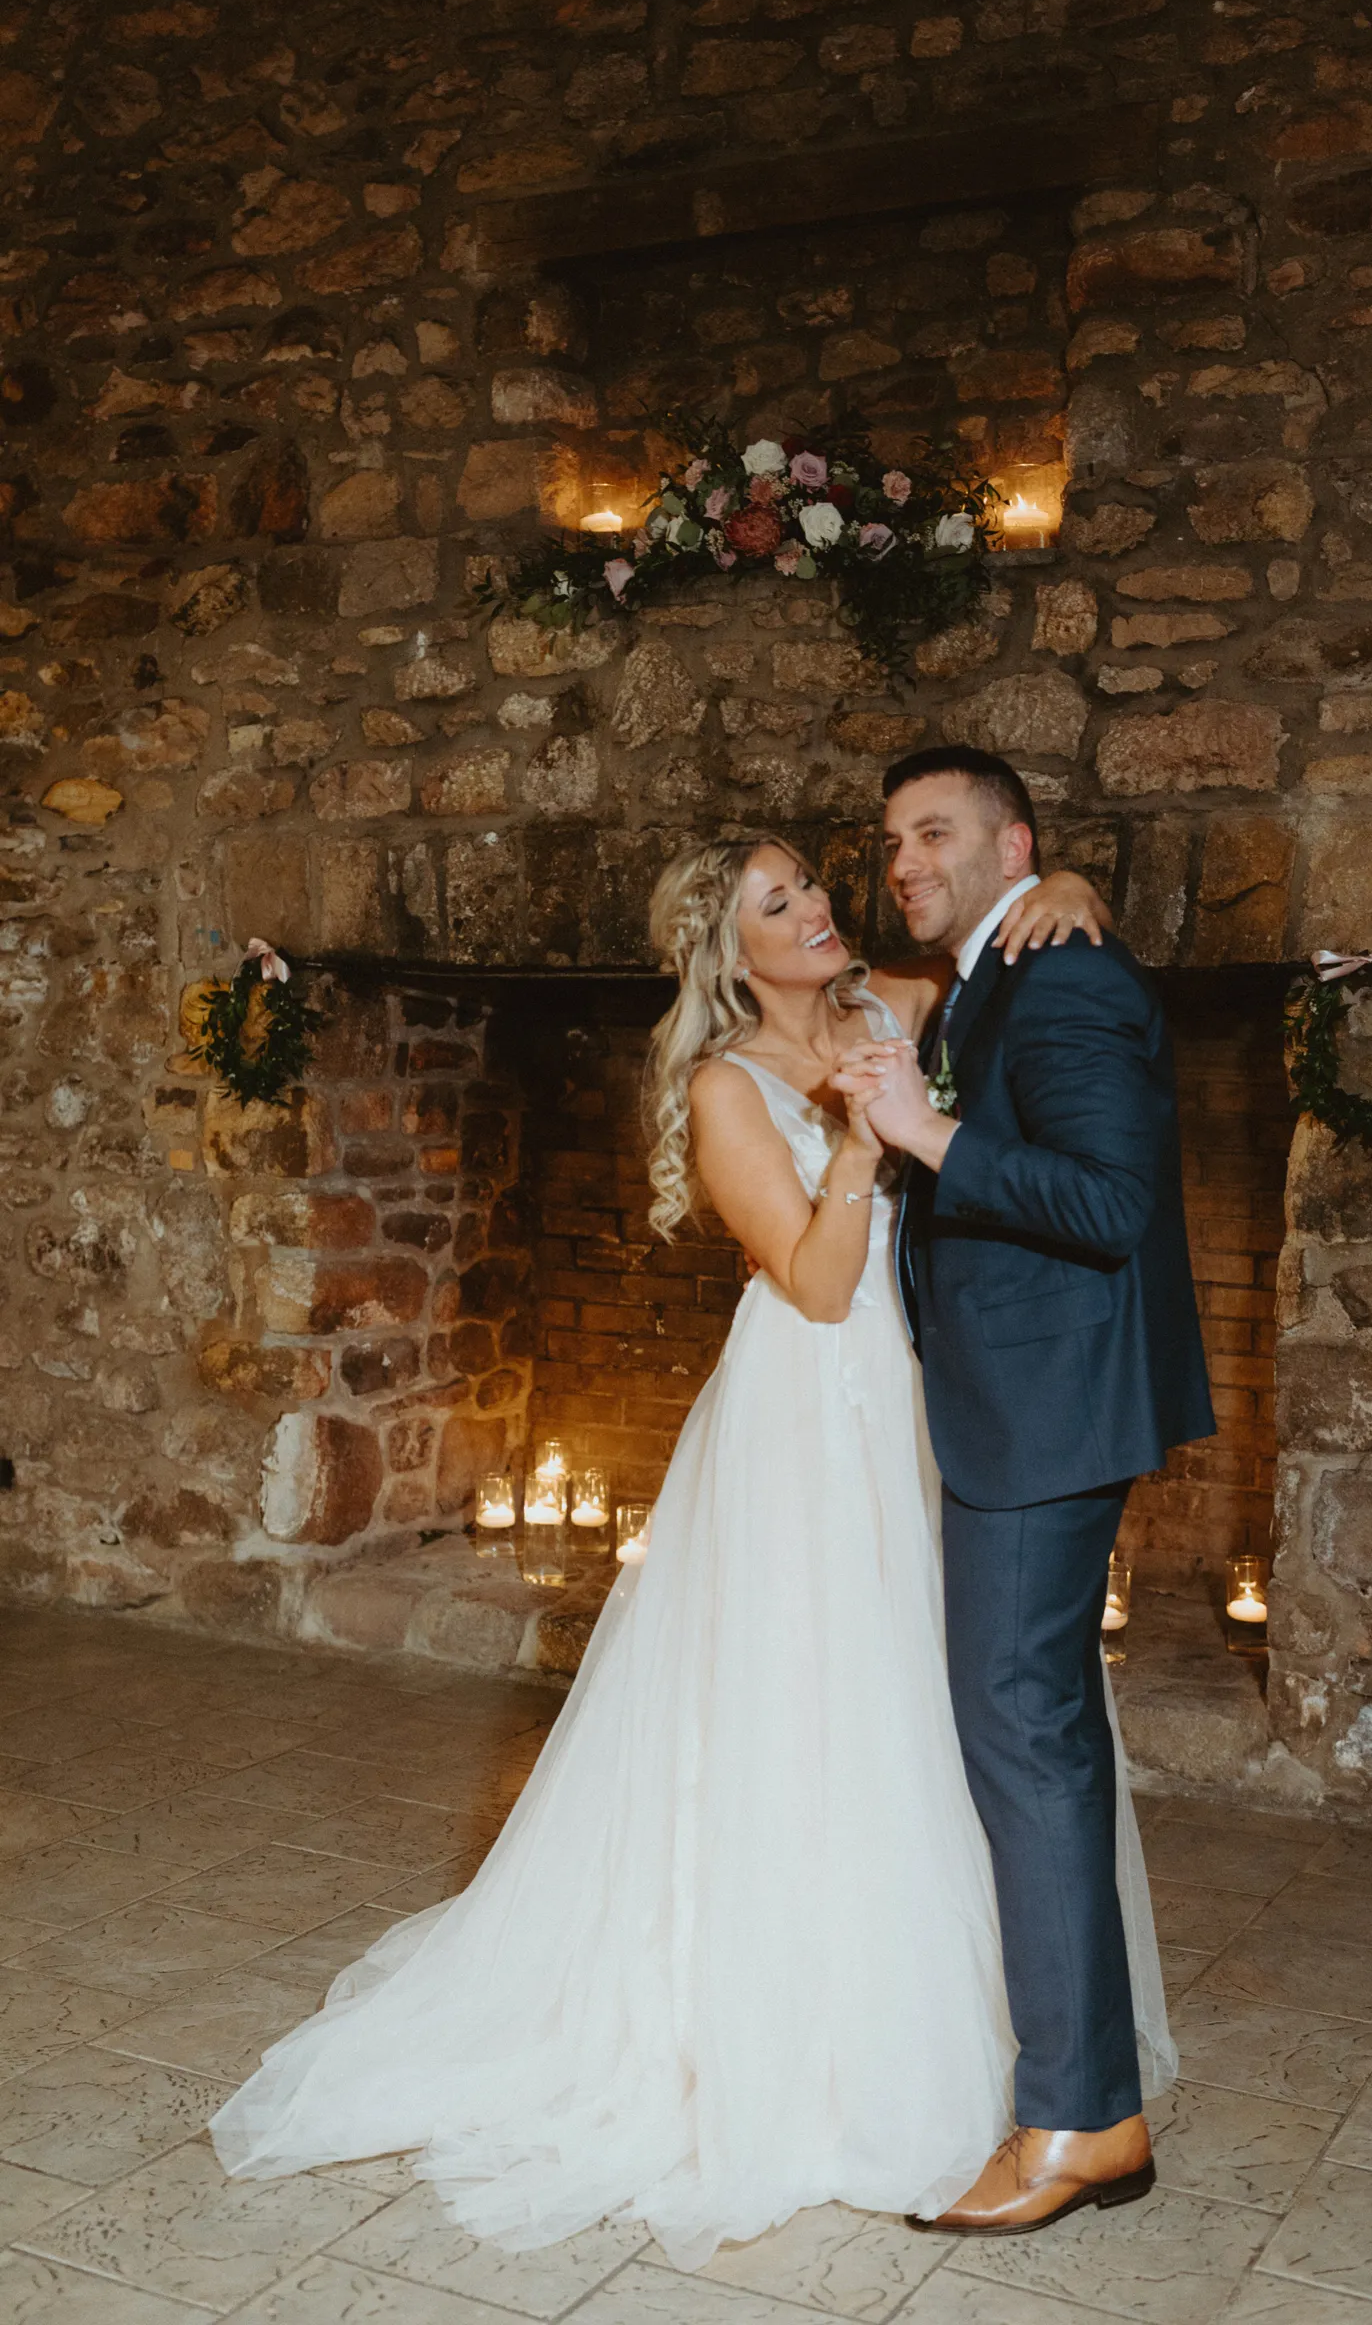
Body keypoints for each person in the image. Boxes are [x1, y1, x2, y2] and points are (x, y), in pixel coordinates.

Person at [210, 832, 1176, 2269]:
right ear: (727, 955)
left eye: (810, 887)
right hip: (810, 1406)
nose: (817, 910)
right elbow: (817, 1274)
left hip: (930, 1399)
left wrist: (1070, 897)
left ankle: (1013, 2046)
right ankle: (792, 2042)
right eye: (777, 905)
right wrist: (863, 1142)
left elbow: (997, 948)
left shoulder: (896, 1010)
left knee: (942, 1702)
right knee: (807, 1707)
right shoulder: (725, 1089)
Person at [833, 746, 1213, 2237]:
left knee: (1026, 1737)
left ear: (1017, 841)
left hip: (1049, 1418)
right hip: (1025, 1407)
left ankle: (1078, 2123)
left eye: (937, 833)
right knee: (1026, 1733)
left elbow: (1113, 1206)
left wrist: (929, 1138)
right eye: (892, 841)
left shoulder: (1063, 978)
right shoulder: (1006, 964)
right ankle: (1088, 2100)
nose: (905, 860)